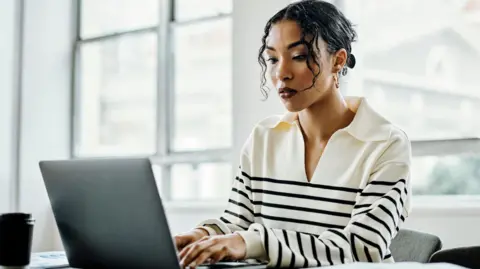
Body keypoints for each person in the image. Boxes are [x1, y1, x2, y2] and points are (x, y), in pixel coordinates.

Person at [175, 0, 412, 268]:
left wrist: (254, 242)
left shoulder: (385, 144)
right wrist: (202, 236)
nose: (281, 73)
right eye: (273, 58)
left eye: (299, 56)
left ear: (338, 60)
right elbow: (237, 224)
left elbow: (362, 247)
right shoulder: (264, 137)